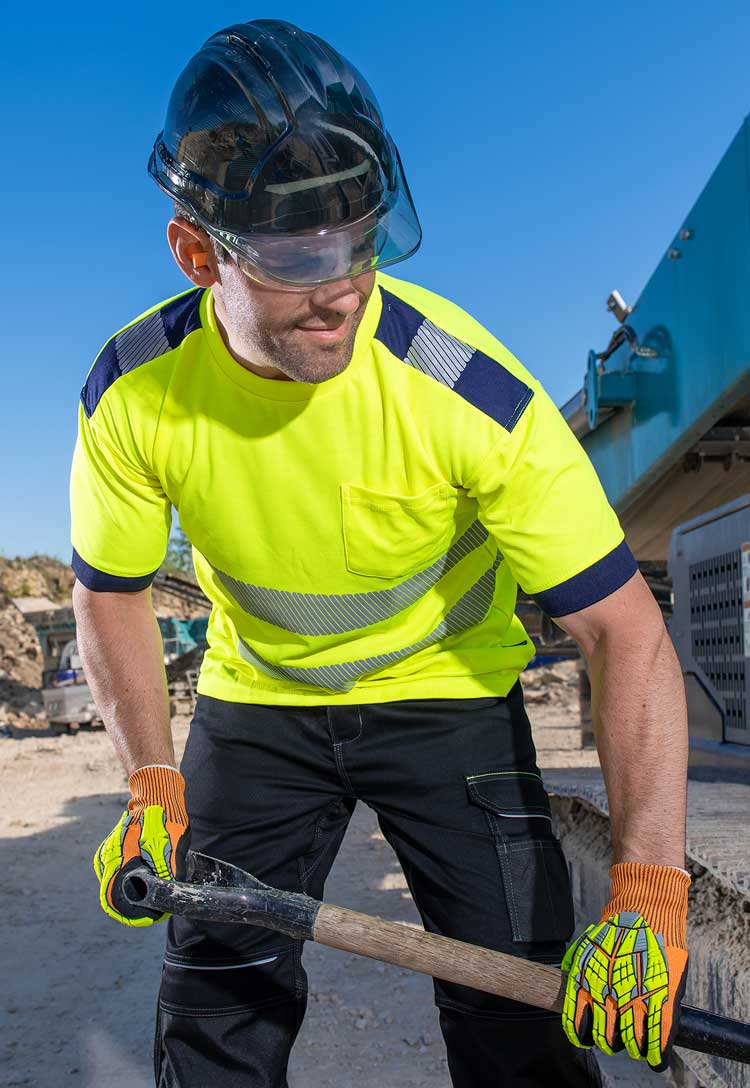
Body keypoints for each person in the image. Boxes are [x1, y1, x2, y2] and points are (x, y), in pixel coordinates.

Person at [71, 19, 690, 1088]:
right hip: (258, 707)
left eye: (361, 238)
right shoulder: (133, 393)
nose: (346, 284)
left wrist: (647, 880)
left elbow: (623, 630)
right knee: (217, 996)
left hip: (449, 699)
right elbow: (112, 592)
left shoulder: (467, 392)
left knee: (517, 1007)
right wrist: (152, 774)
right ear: (197, 250)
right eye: (300, 254)